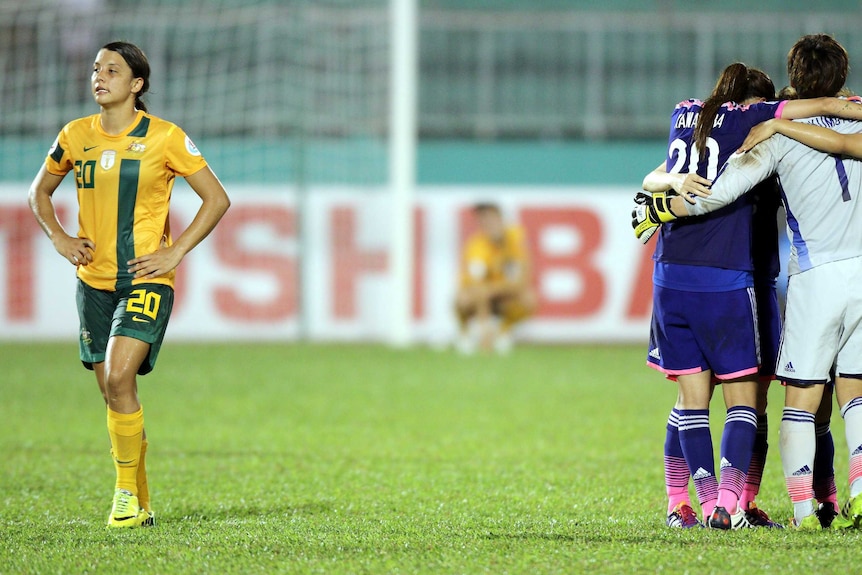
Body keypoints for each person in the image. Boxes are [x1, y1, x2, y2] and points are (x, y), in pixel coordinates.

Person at [639, 33, 862, 530]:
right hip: (790, 276)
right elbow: (838, 126)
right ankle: (769, 498)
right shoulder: (792, 119)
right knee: (794, 396)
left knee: (716, 397)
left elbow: (683, 183)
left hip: (713, 272)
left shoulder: (727, 125)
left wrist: (657, 203)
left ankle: (713, 502)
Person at [28, 41, 230, 528]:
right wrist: (58, 236)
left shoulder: (165, 137)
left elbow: (217, 199)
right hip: (93, 282)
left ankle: (121, 495)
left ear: (136, 85)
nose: (100, 77)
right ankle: (141, 504)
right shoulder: (75, 136)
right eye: (96, 68)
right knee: (113, 393)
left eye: (112, 70)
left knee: (120, 379)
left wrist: (175, 250)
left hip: (147, 278)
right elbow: (39, 191)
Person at [454, 202, 536, 354]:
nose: (488, 223)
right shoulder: (476, 246)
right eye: (483, 220)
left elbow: (522, 280)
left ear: (501, 219)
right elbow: (477, 287)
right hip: (480, 298)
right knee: (462, 300)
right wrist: (484, 329)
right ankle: (468, 333)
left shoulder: (516, 239)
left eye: (491, 218)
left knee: (528, 299)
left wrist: (493, 289)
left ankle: (502, 331)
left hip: (502, 294)